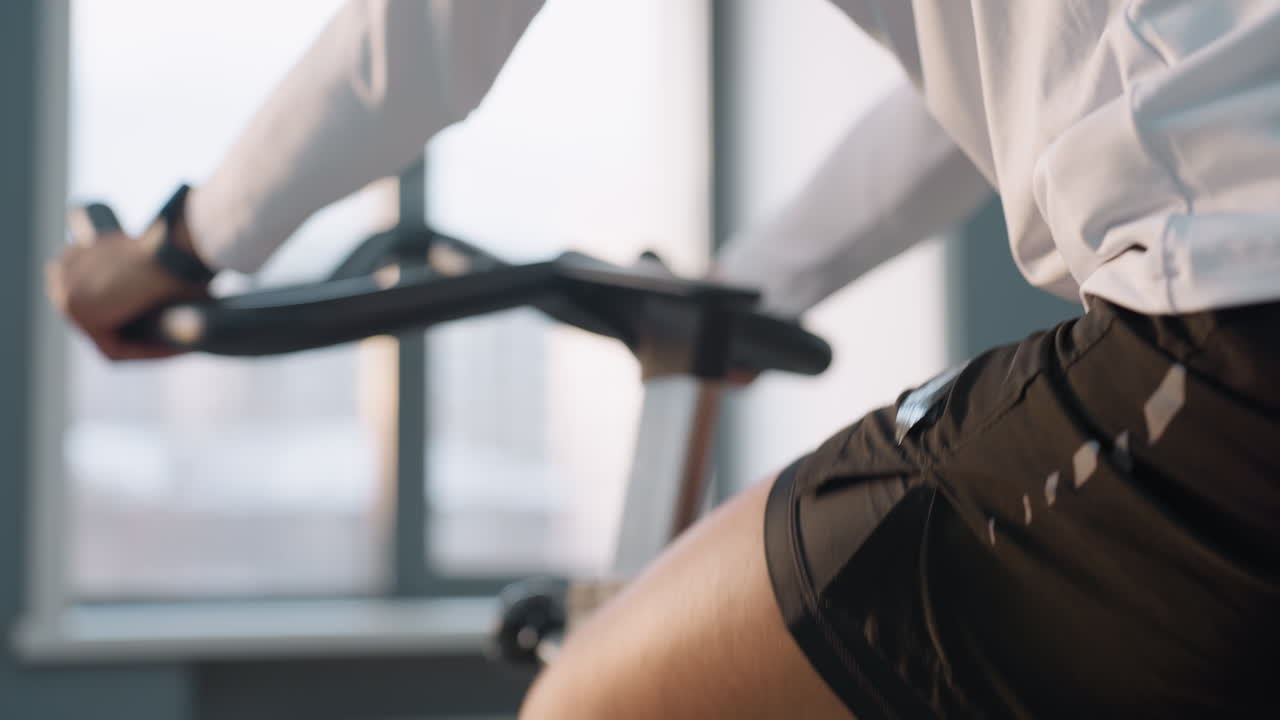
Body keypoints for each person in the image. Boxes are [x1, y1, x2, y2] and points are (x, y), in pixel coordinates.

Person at [46, 1, 1280, 717]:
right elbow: (992, 86)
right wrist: (759, 281)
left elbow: (424, 31)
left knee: (587, 702)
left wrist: (181, 244)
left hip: (1224, 338)